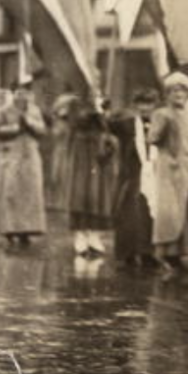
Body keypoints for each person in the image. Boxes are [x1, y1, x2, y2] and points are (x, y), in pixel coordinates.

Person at [148, 71, 188, 274]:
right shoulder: (162, 114)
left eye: (183, 90)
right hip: (168, 167)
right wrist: (161, 130)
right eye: (174, 90)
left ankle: (179, 253)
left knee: (185, 210)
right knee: (169, 211)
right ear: (167, 93)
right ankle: (161, 253)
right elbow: (152, 137)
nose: (179, 94)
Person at [109, 89, 160, 269]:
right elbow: (109, 124)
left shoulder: (158, 122)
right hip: (132, 172)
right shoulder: (128, 123)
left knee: (149, 214)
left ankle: (148, 253)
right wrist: (107, 108)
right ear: (136, 105)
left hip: (153, 172)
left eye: (149, 104)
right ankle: (128, 254)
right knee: (130, 213)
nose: (145, 108)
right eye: (141, 104)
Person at [0, 83, 48, 247]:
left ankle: (27, 230)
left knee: (30, 193)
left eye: (25, 93)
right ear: (13, 94)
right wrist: (15, 127)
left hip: (30, 155)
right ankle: (10, 229)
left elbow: (42, 130)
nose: (21, 96)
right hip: (12, 155)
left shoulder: (34, 110)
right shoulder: (5, 110)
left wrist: (30, 124)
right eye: (18, 93)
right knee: (11, 193)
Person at [67, 98, 119, 257]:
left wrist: (106, 115)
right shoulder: (78, 94)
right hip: (82, 147)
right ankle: (81, 234)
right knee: (82, 191)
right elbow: (75, 119)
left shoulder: (106, 86)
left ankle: (94, 235)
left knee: (99, 193)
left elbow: (112, 123)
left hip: (100, 147)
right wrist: (93, 113)